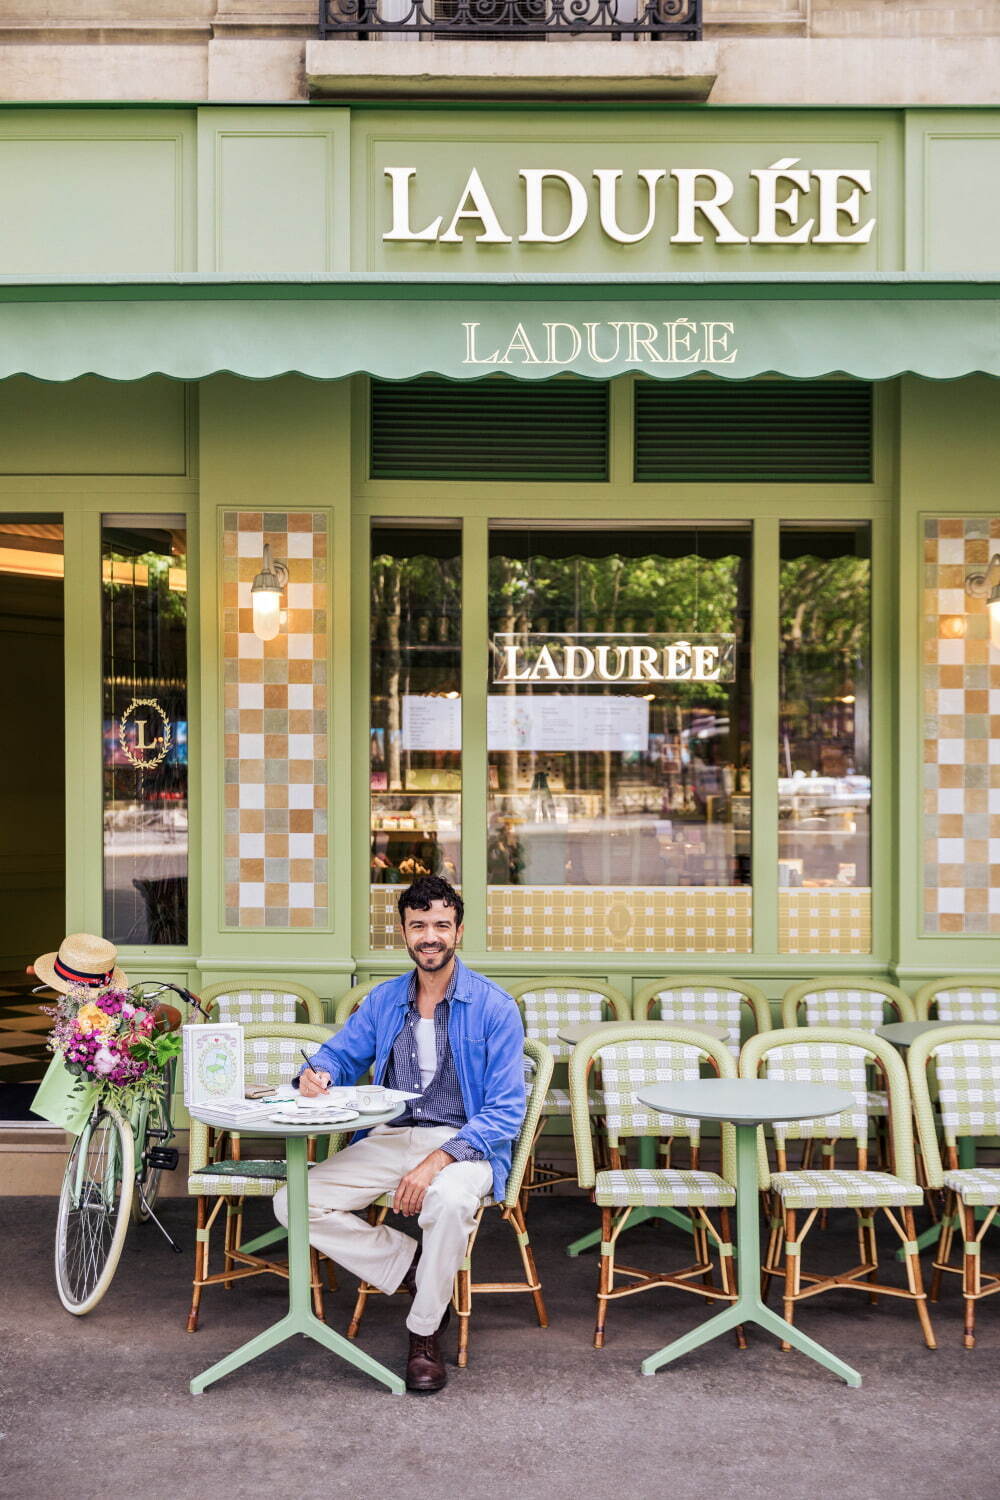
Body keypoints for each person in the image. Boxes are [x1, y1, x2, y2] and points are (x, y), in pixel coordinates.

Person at [272, 874, 525, 1394]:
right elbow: (340, 1054)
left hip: (464, 1144)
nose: (429, 936)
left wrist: (436, 1162)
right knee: (292, 1202)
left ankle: (423, 1334)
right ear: (404, 933)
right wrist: (316, 1073)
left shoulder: (495, 1007)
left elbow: (504, 1111)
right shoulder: (386, 1000)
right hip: (393, 1138)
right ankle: (413, 1267)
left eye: (440, 925)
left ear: (459, 931)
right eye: (418, 926)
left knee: (450, 1205)